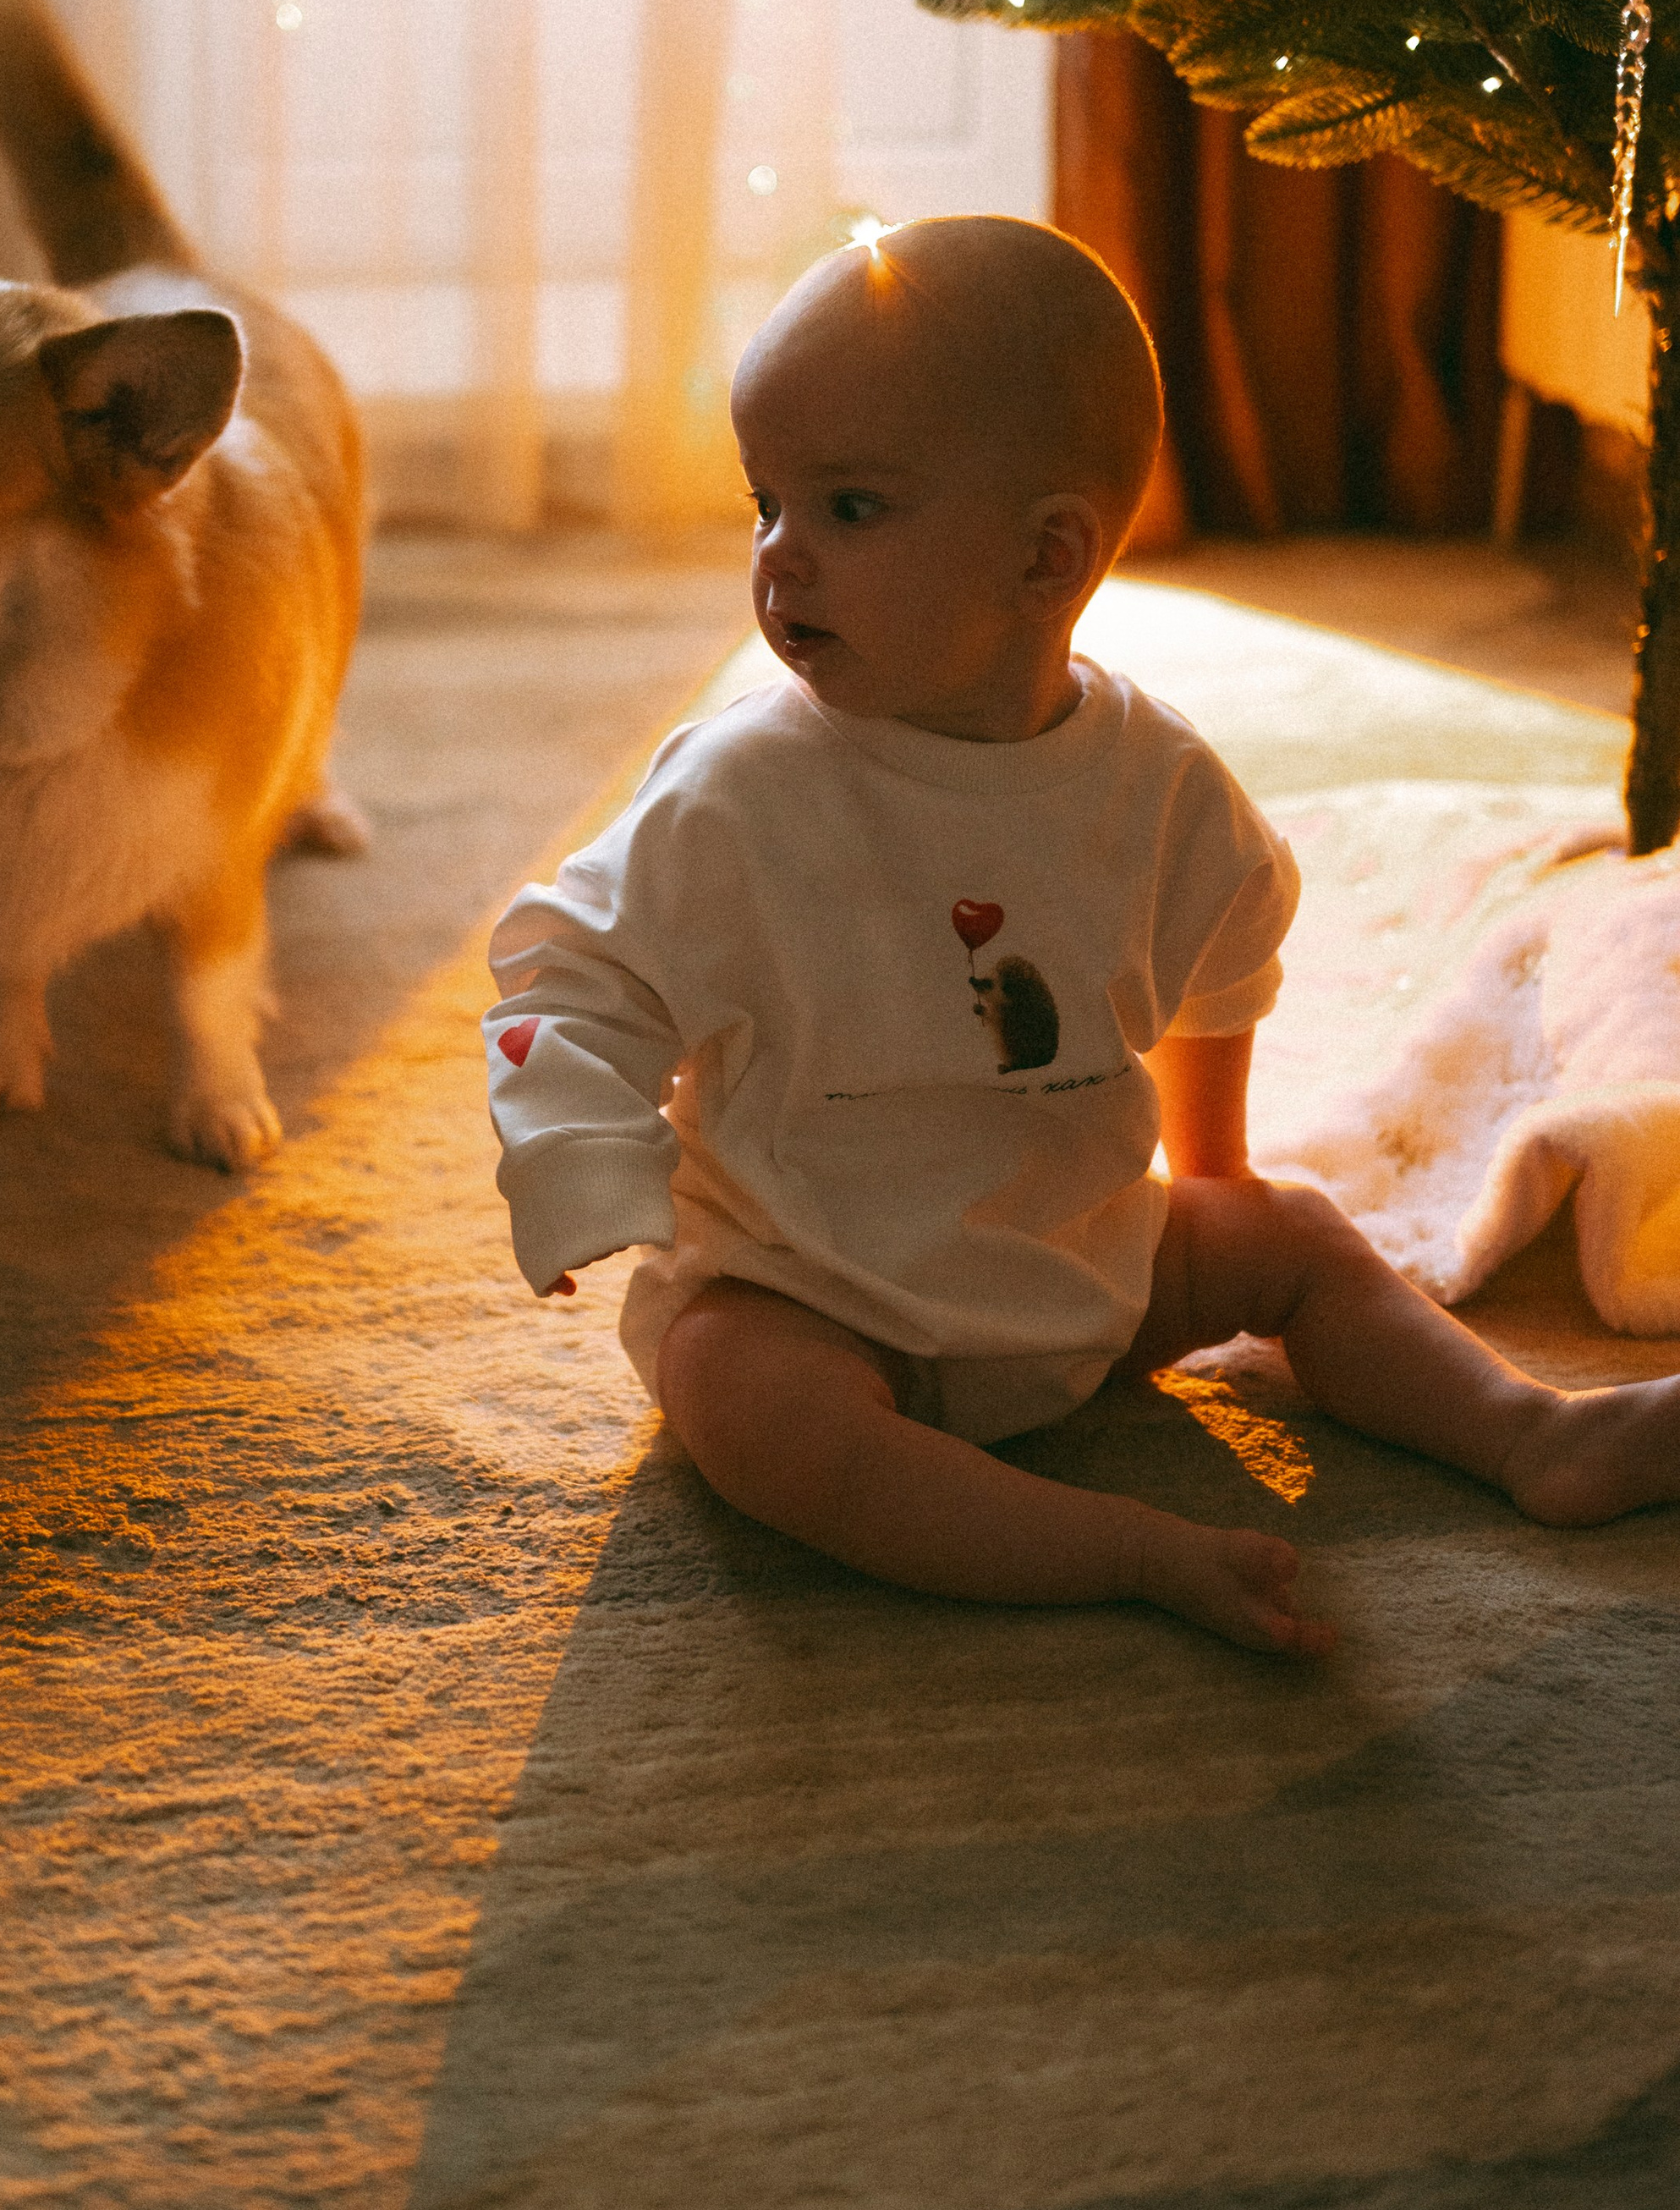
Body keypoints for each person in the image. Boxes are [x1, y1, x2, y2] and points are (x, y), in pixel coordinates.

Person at [482, 215, 1680, 1657]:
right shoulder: (738, 795)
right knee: (749, 1407)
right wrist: (578, 1157)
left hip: (1086, 1268)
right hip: (817, 1290)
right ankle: (1120, 1550)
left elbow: (1227, 959)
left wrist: (1219, 1177)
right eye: (766, 506)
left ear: (1048, 556)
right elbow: (575, 969)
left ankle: (1531, 1435)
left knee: (1293, 1233)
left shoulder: (1158, 781)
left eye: (848, 510)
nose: (781, 561)